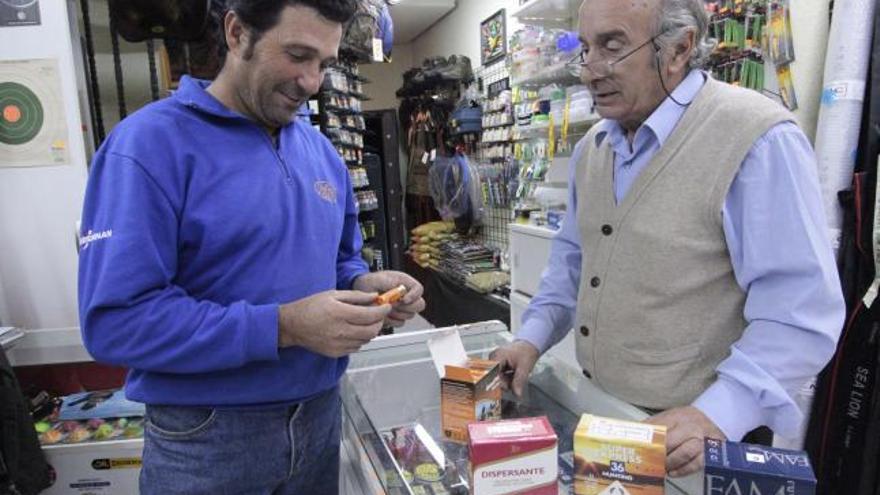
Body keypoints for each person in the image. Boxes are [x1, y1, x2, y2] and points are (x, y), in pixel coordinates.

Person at [77, 1, 425, 493]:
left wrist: (364, 284)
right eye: (297, 55)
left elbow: (341, 259)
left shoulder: (321, 153)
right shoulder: (147, 146)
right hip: (208, 442)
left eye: (324, 64)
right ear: (237, 33)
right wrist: (283, 326)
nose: (311, 82)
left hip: (322, 419)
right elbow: (116, 323)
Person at [492, 0, 845, 478]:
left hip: (694, 442)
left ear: (679, 49)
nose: (590, 69)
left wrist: (720, 413)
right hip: (603, 414)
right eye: (586, 47)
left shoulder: (756, 140)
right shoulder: (592, 150)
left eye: (612, 45)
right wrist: (529, 340)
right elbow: (572, 265)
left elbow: (800, 311)